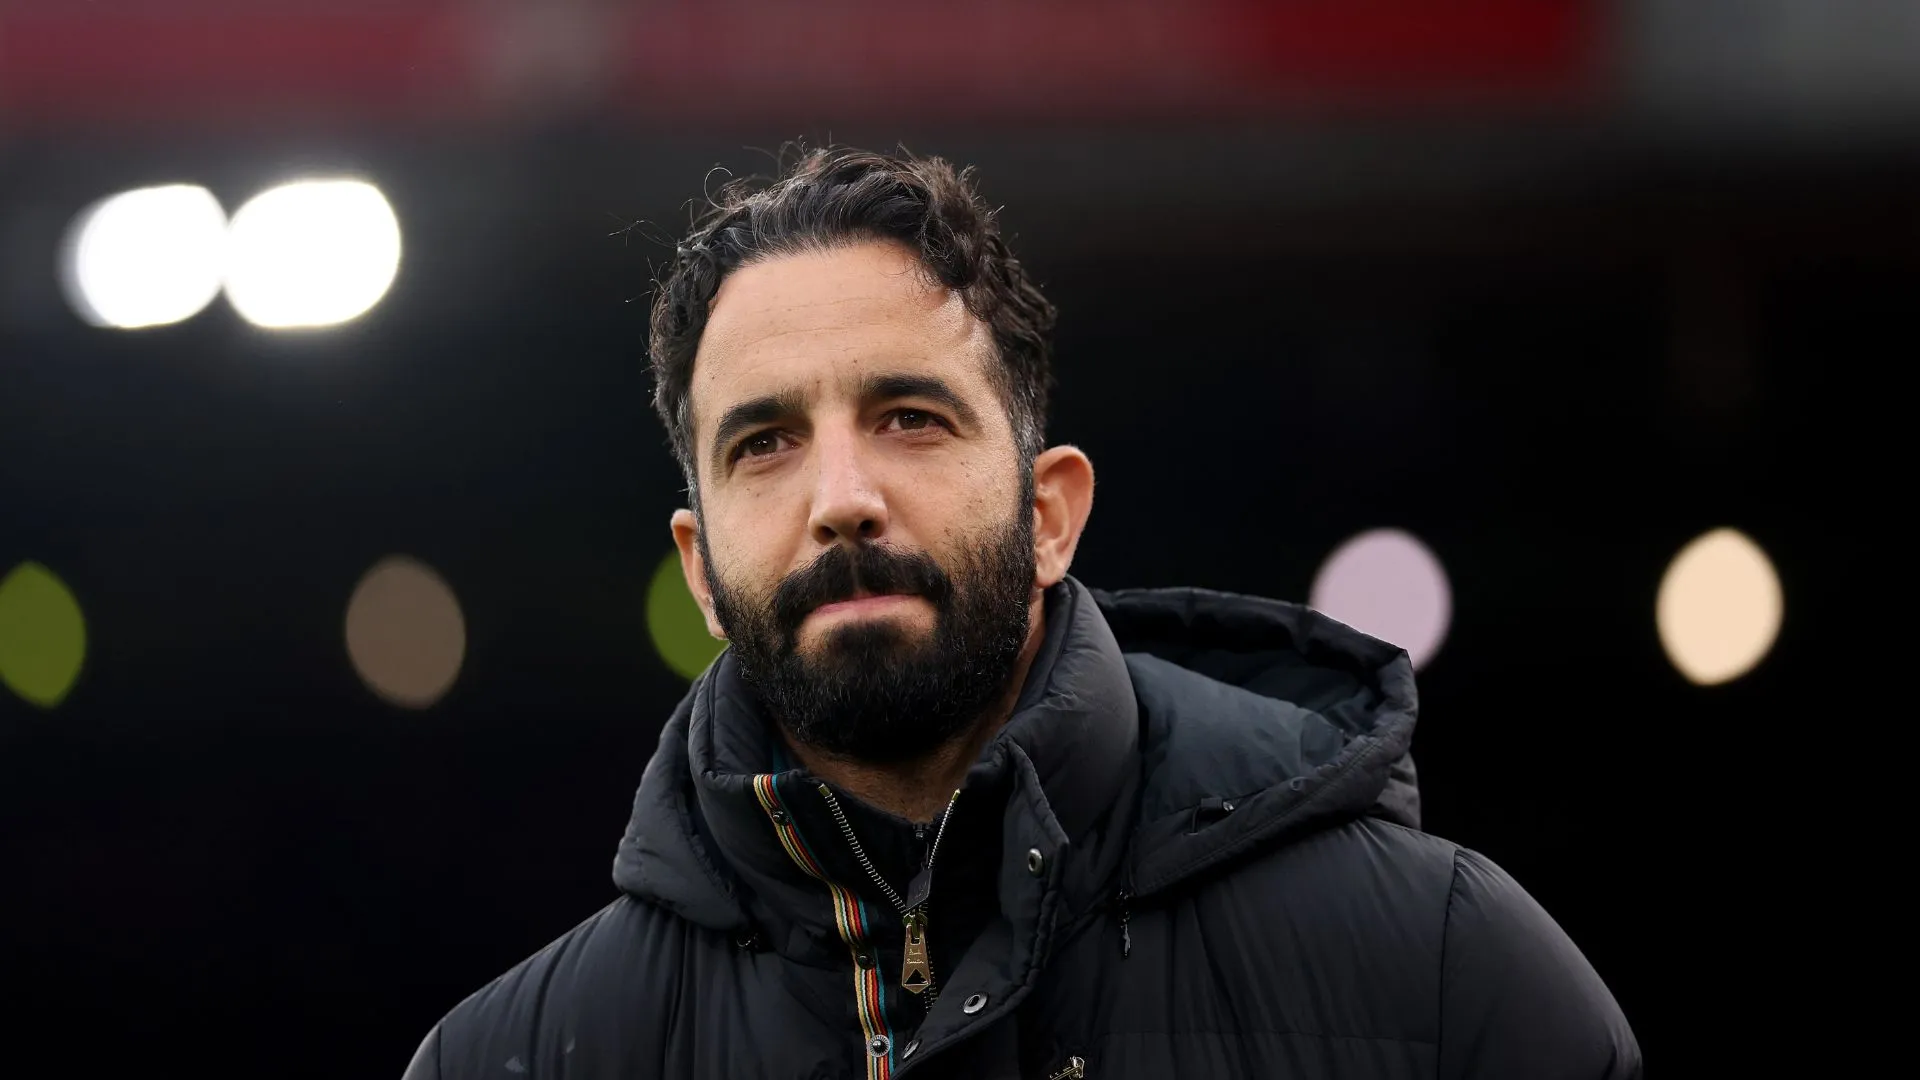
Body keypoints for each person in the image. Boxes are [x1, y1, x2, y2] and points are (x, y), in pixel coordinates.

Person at [403, 146, 1640, 1080]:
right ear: (702, 575)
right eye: (765, 443)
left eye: (910, 418)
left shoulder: (1442, 971)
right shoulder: (510, 1058)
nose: (842, 499)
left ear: (1051, 516)